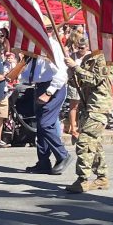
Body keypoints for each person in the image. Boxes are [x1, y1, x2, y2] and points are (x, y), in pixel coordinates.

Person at [64, 46, 113, 193]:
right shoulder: (88, 59)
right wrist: (71, 72)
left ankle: (82, 180)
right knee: (94, 144)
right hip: (88, 106)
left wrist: (76, 67)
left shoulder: (105, 59)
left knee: (84, 142)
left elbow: (96, 79)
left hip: (99, 106)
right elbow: (80, 83)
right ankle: (102, 177)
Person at [25, 17, 71, 174]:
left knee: (45, 124)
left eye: (49, 29)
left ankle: (63, 155)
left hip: (54, 87)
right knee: (41, 126)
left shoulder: (53, 47)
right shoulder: (38, 47)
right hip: (41, 86)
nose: (47, 31)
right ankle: (43, 162)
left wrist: (49, 92)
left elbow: (62, 73)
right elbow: (34, 71)